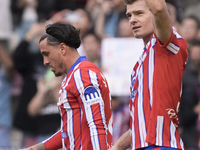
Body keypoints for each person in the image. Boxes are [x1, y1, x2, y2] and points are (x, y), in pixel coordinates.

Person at [20, 22, 112, 150]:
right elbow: (69, 131)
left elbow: (97, 125)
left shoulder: (82, 74)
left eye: (46, 54)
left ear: (62, 49)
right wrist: (36, 148)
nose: (45, 62)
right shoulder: (75, 75)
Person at [111, 0, 188, 149]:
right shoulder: (140, 63)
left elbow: (159, 8)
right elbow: (141, 123)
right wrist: (117, 147)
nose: (132, 19)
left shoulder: (168, 44)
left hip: (162, 145)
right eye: (129, 15)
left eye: (139, 13)